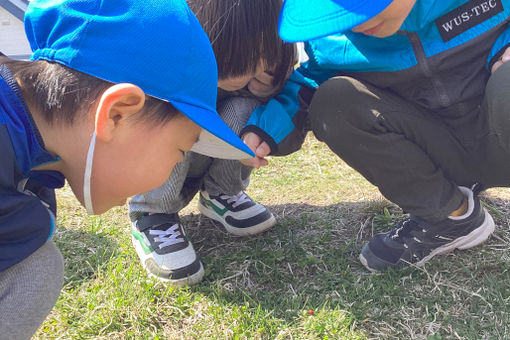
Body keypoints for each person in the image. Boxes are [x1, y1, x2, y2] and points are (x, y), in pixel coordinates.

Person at [0, 0, 255, 338]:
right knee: (36, 271)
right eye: (180, 151)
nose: (173, 170)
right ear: (117, 114)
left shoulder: (30, 168)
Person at [242, 0, 510, 272]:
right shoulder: (332, 41)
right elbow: (307, 86)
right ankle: (450, 215)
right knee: (334, 99)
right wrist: (265, 130)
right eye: (338, 12)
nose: (356, 22)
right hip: (439, 152)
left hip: (499, 131)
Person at [129, 0, 297, 286]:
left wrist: (270, 90)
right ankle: (152, 212)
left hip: (206, 152)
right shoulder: (163, 36)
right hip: (165, 158)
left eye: (260, 58)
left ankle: (221, 194)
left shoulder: (274, 23)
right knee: (172, 112)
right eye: (238, 57)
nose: (248, 72)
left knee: (247, 109)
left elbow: (294, 96)